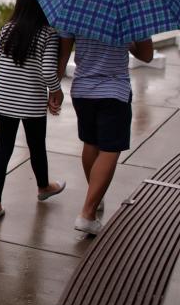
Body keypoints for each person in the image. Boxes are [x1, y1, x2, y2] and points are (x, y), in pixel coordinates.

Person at [59, 34, 153, 235]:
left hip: (82, 90)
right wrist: (128, 41)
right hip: (114, 91)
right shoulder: (129, 9)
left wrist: (54, 87)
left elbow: (63, 54)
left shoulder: (77, 6)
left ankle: (95, 195)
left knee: (90, 143)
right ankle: (87, 213)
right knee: (110, 149)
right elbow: (147, 55)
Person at [0, 0, 66, 222]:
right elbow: (48, 71)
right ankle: (43, 188)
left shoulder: (7, 30)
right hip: (31, 103)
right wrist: (56, 90)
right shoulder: (47, 34)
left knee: (3, 150)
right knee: (36, 146)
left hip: (5, 102)